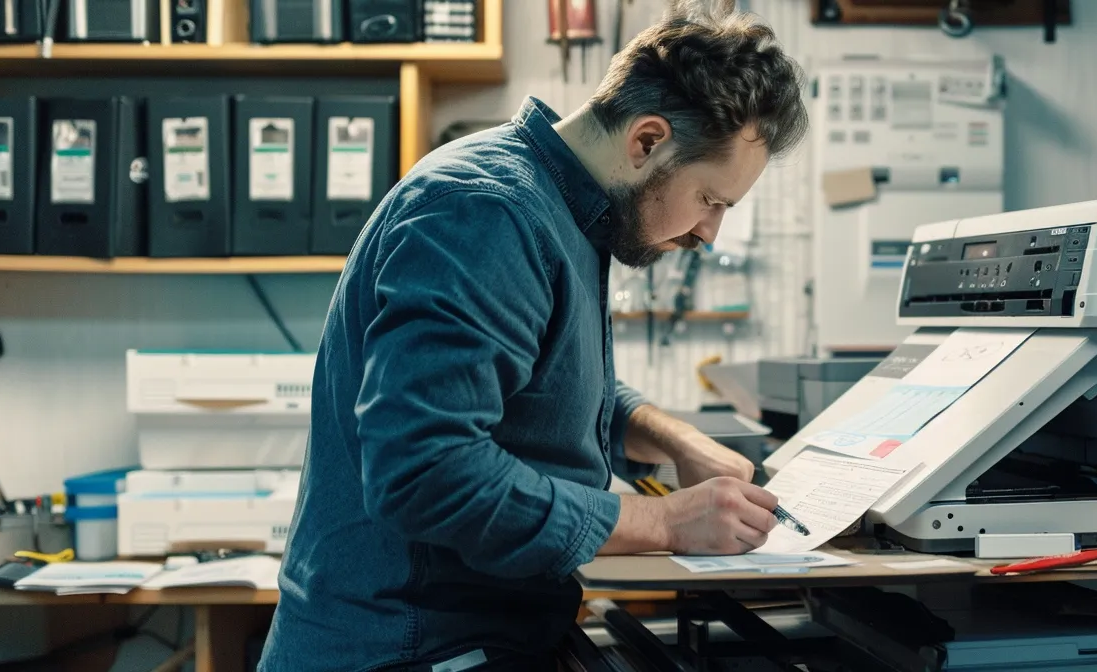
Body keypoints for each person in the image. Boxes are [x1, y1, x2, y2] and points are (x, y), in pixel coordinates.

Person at [257, 0, 809, 668]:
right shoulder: (485, 212)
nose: (707, 232)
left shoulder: (562, 212)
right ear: (647, 141)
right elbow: (427, 471)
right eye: (711, 200)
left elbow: (548, 391)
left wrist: (680, 442)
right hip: (407, 647)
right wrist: (666, 521)